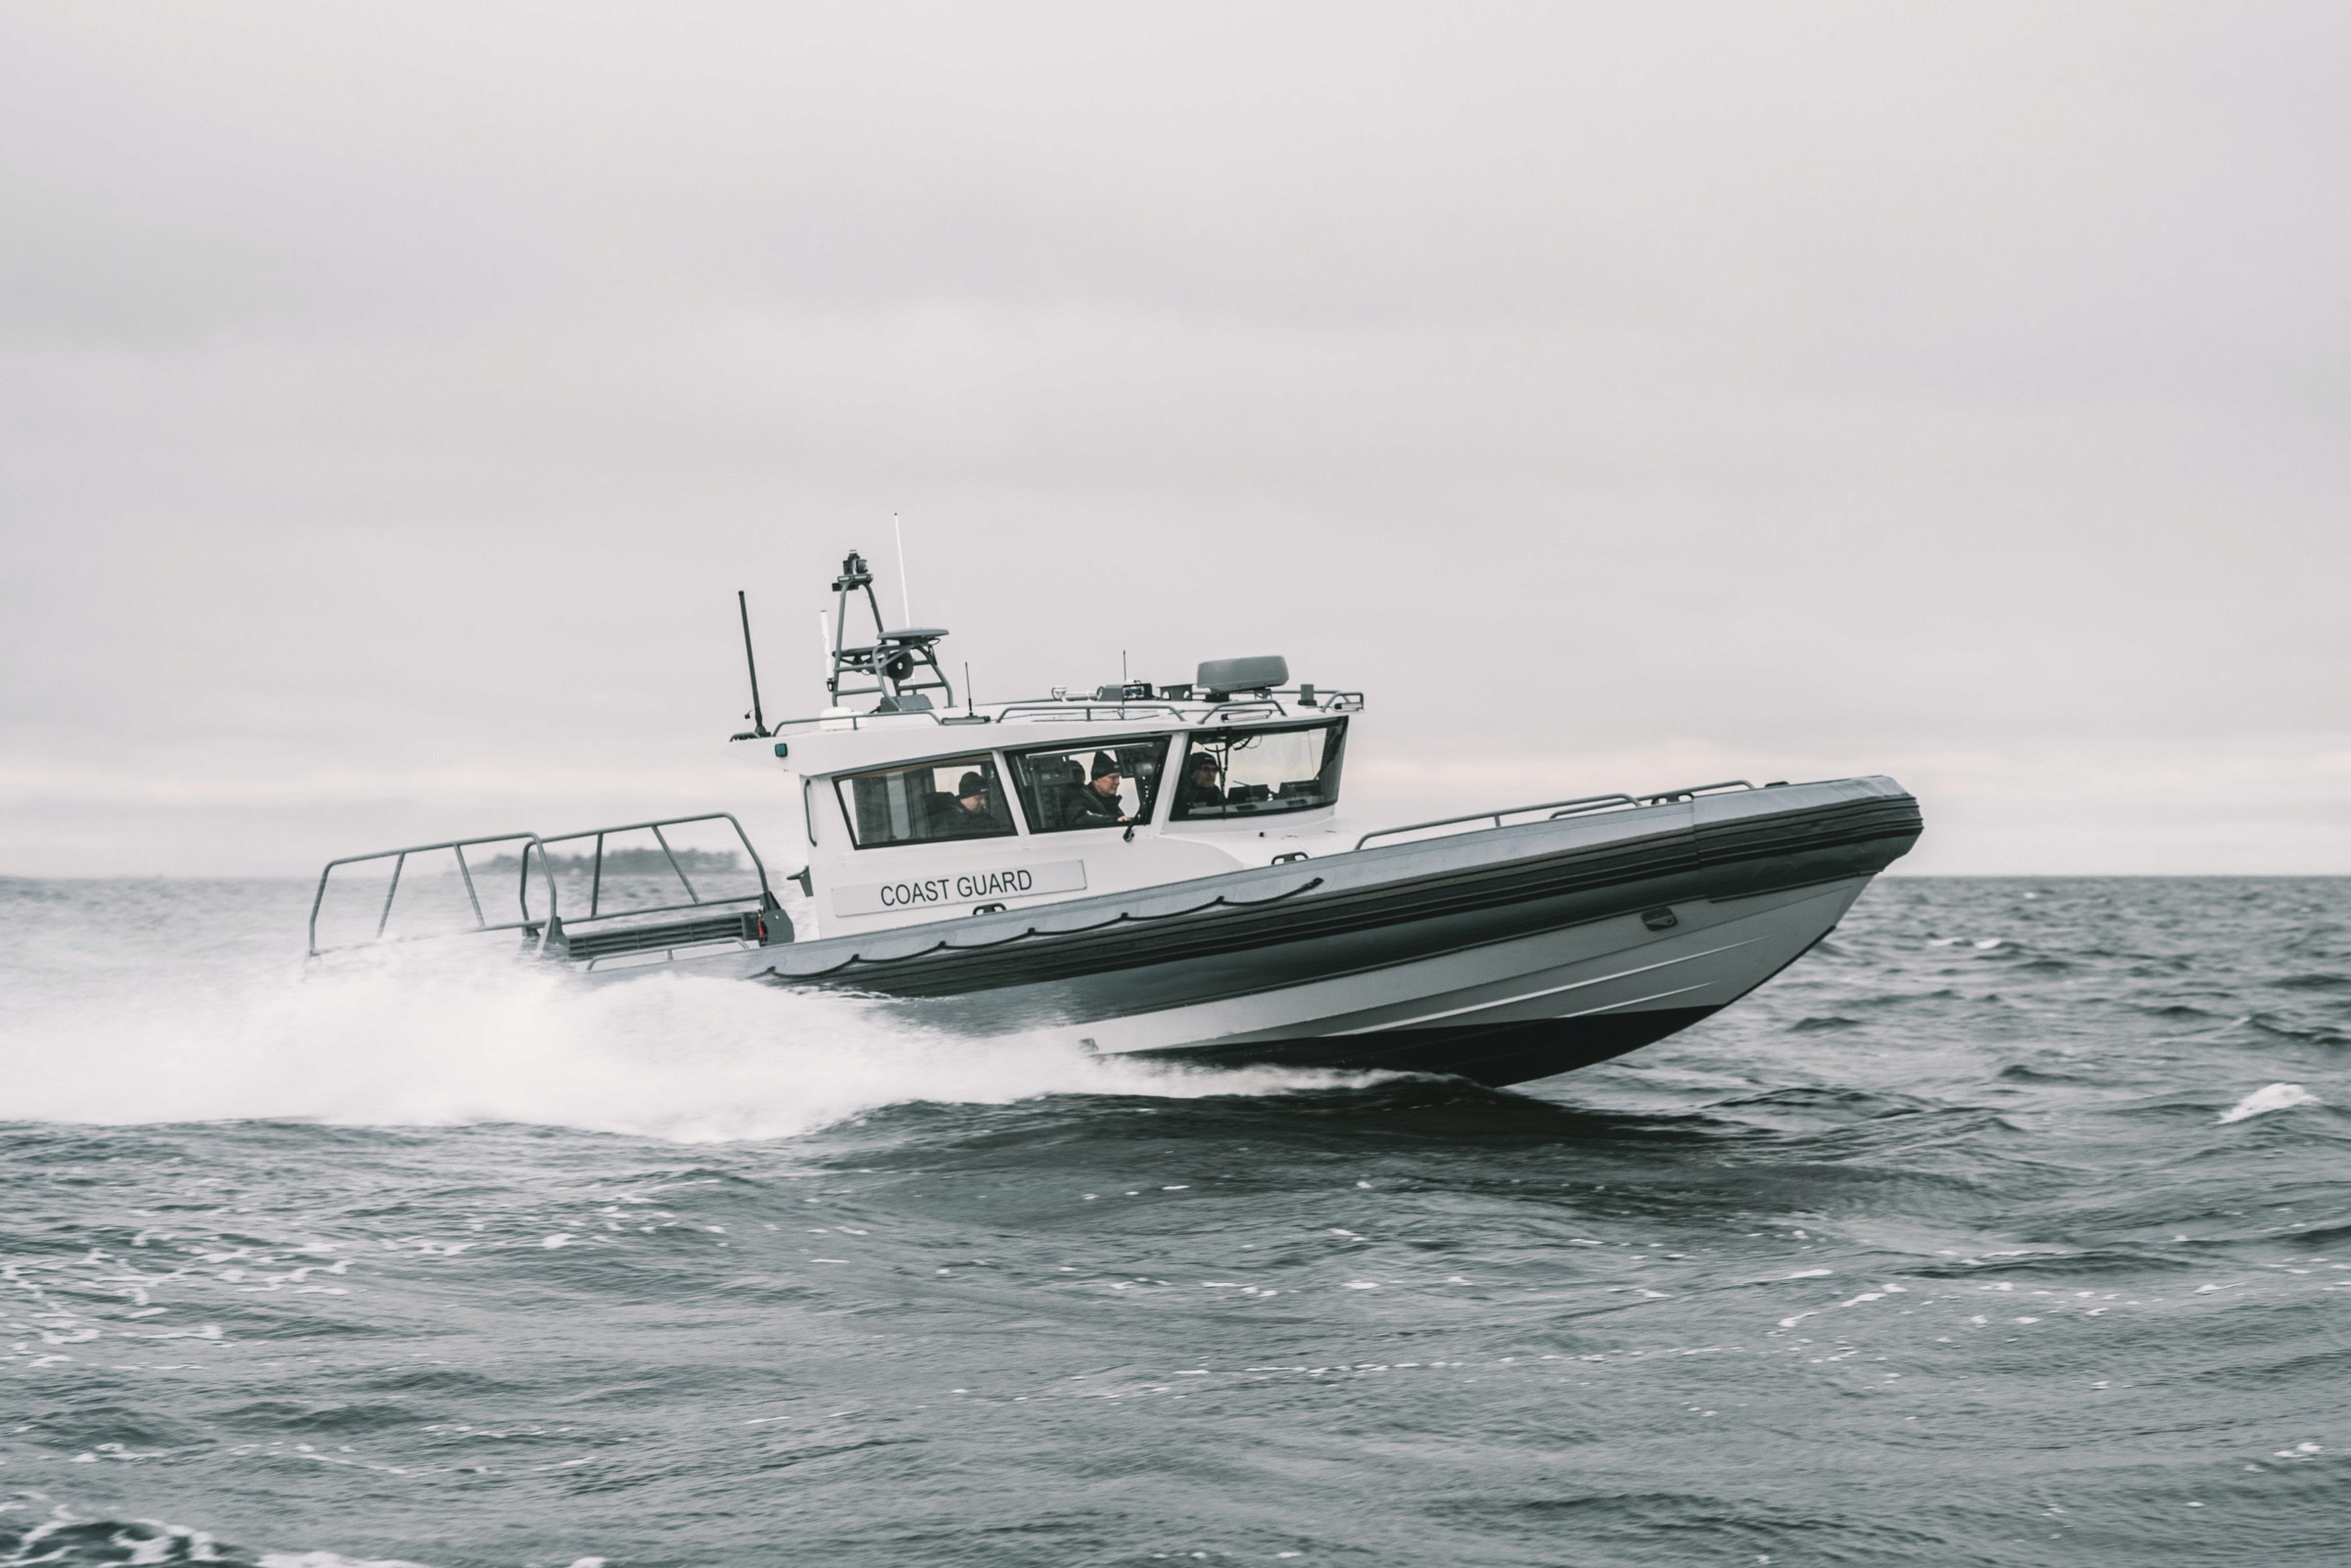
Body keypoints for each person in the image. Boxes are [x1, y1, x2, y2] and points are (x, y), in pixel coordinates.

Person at [1058, 752, 1133, 828]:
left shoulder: (1110, 803)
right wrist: (1114, 821)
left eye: (1118, 777)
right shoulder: (1079, 800)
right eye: (1112, 778)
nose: (1118, 782)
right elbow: (1081, 819)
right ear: (1096, 780)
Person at [934, 770, 1000, 835]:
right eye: (978, 798)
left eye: (985, 797)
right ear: (965, 797)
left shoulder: (985, 817)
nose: (984, 802)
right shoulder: (947, 823)